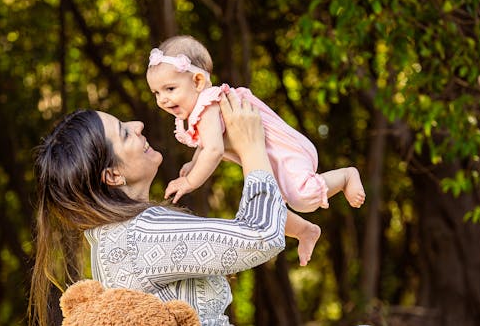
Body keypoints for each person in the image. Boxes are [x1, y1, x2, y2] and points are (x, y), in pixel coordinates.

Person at [28, 92, 289, 326]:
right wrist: (251, 146)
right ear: (113, 175)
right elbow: (261, 236)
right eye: (124, 133)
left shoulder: (108, 239)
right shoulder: (142, 233)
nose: (138, 125)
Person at [146, 35, 365, 266]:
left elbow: (214, 150)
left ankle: (346, 176)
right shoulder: (202, 109)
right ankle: (305, 231)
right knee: (271, 209)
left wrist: (190, 182)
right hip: (269, 160)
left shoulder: (208, 104)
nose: (163, 99)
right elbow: (206, 144)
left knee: (302, 199)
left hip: (286, 151)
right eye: (157, 93)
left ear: (198, 82)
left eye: (169, 89)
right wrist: (193, 163)